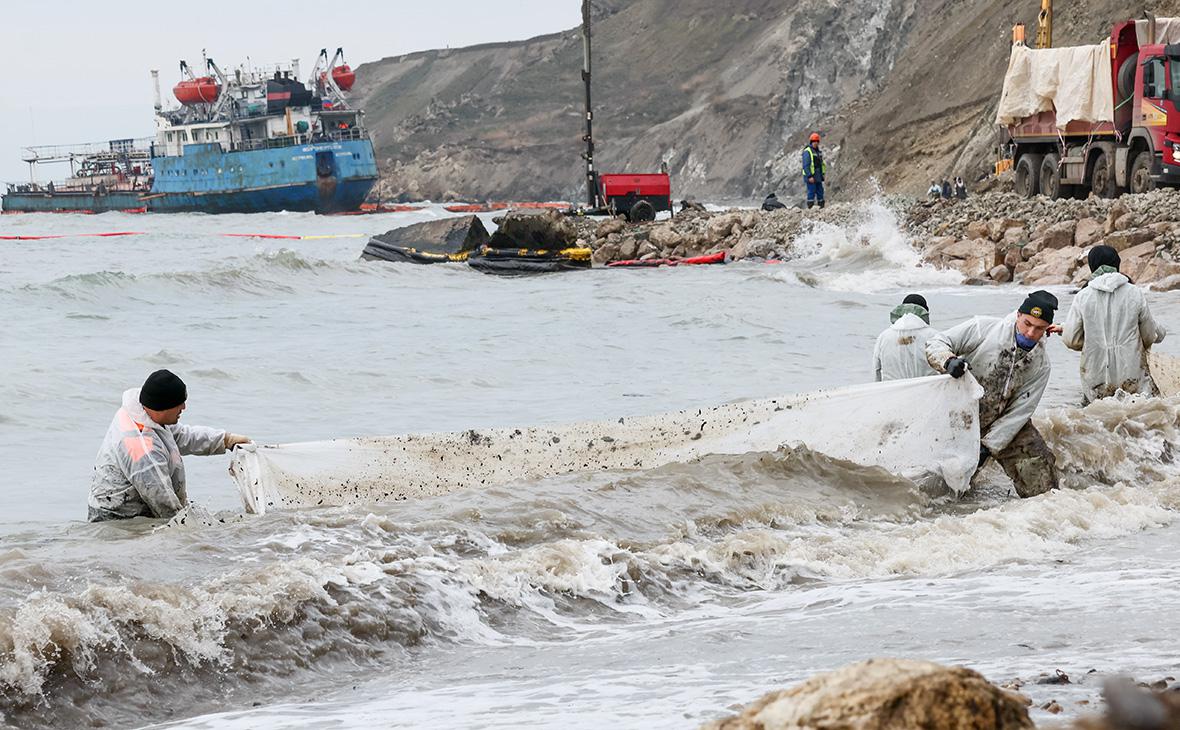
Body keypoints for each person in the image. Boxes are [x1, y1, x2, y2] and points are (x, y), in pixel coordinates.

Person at [925, 291, 1062, 498]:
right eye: (1027, 323)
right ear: (1018, 315)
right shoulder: (984, 328)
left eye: (1039, 328)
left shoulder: (1041, 365)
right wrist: (948, 361)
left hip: (1002, 420)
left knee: (1040, 470)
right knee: (940, 483)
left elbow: (1019, 412)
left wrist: (988, 446)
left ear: (1047, 329)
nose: (1030, 333)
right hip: (959, 414)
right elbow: (938, 341)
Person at [88, 370, 251, 521]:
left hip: (137, 511)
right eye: (179, 404)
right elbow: (164, 504)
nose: (184, 407)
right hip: (118, 522)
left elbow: (181, 436)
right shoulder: (142, 448)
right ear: (162, 407)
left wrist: (226, 440)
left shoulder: (145, 411)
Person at [1062, 245, 1167, 404]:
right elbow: (1149, 334)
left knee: (1100, 421)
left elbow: (1071, 339)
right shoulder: (1134, 293)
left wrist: (1090, 342)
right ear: (1117, 264)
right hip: (1132, 374)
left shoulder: (1082, 297)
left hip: (1095, 377)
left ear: (1091, 266)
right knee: (1140, 418)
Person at [873, 294, 938, 381]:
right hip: (927, 390)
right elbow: (945, 366)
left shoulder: (884, 336)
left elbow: (876, 369)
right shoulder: (933, 335)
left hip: (892, 391)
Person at [801, 133, 826, 209]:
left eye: (817, 141)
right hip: (811, 175)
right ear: (811, 141)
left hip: (818, 175)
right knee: (811, 191)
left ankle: (821, 207)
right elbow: (806, 165)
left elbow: (821, 164)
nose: (816, 143)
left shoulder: (818, 152)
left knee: (820, 191)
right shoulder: (807, 151)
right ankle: (810, 208)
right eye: (814, 141)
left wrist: (822, 174)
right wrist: (809, 176)